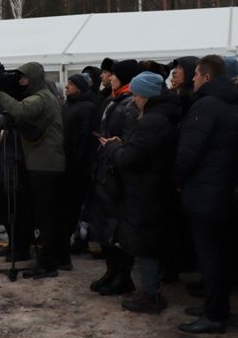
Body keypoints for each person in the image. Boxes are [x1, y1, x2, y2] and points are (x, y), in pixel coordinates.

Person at [100, 71, 181, 314]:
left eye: (136, 94)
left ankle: (149, 294)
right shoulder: (163, 116)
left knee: (145, 243)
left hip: (145, 189)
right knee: (148, 240)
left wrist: (113, 148)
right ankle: (150, 290)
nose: (133, 98)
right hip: (153, 186)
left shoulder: (152, 121)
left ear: (146, 95)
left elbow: (132, 159)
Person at [174, 55, 238, 334]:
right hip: (221, 187)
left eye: (195, 74)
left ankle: (214, 314)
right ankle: (216, 306)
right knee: (218, 252)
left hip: (205, 189)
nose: (192, 78)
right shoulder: (233, 103)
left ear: (206, 77)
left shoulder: (206, 106)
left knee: (210, 255)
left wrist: (177, 179)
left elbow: (189, 151)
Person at [0, 61, 66, 279]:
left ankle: (49, 263)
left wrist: (0, 92)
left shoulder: (42, 97)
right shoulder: (42, 96)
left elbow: (20, 110)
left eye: (24, 77)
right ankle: (50, 260)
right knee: (45, 215)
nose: (21, 81)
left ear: (33, 78)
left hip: (44, 165)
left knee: (46, 217)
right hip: (43, 163)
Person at [87, 58, 140, 295]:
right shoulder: (114, 99)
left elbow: (129, 139)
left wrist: (115, 144)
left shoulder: (129, 103)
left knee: (117, 229)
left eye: (115, 75)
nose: (110, 78)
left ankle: (123, 276)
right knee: (104, 226)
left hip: (117, 173)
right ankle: (111, 271)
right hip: (104, 170)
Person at [61, 73, 98, 255]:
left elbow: (84, 139)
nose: (67, 86)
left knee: (78, 205)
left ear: (80, 87)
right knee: (67, 205)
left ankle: (80, 239)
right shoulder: (67, 105)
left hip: (78, 166)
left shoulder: (87, 107)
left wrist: (78, 162)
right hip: (65, 163)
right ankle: (68, 237)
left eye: (71, 83)